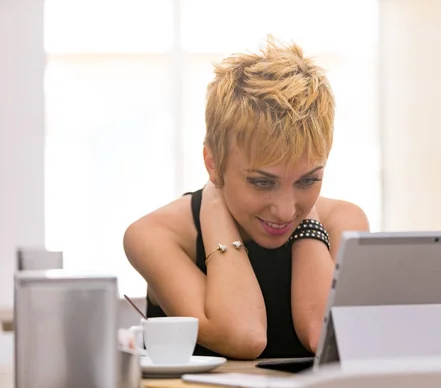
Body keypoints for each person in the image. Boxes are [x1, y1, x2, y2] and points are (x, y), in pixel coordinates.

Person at [123, 37, 370, 360]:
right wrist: (215, 205)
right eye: (262, 183)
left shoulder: (344, 222)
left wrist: (307, 220)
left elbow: (319, 334)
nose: (284, 210)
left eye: (308, 179)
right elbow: (243, 336)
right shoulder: (155, 235)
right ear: (213, 164)